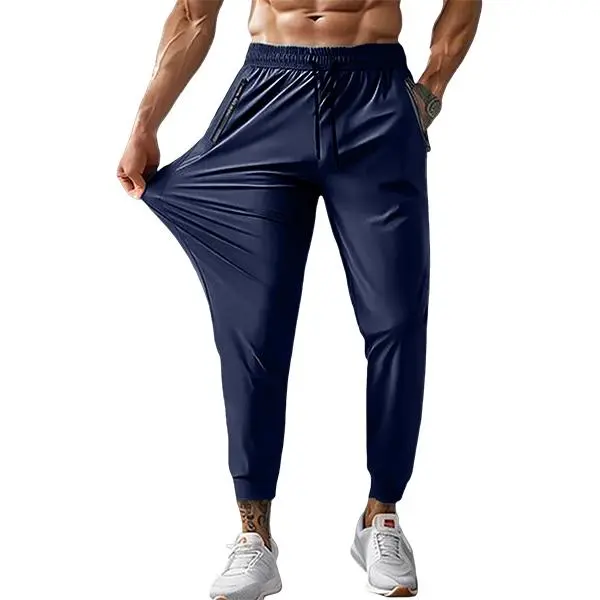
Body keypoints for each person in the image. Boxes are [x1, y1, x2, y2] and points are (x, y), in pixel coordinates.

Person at [117, 1, 481, 597]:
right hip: (267, 98)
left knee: (396, 318)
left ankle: (381, 516)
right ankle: (253, 535)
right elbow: (192, 15)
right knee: (254, 328)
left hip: (377, 99)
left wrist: (431, 89)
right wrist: (145, 122)